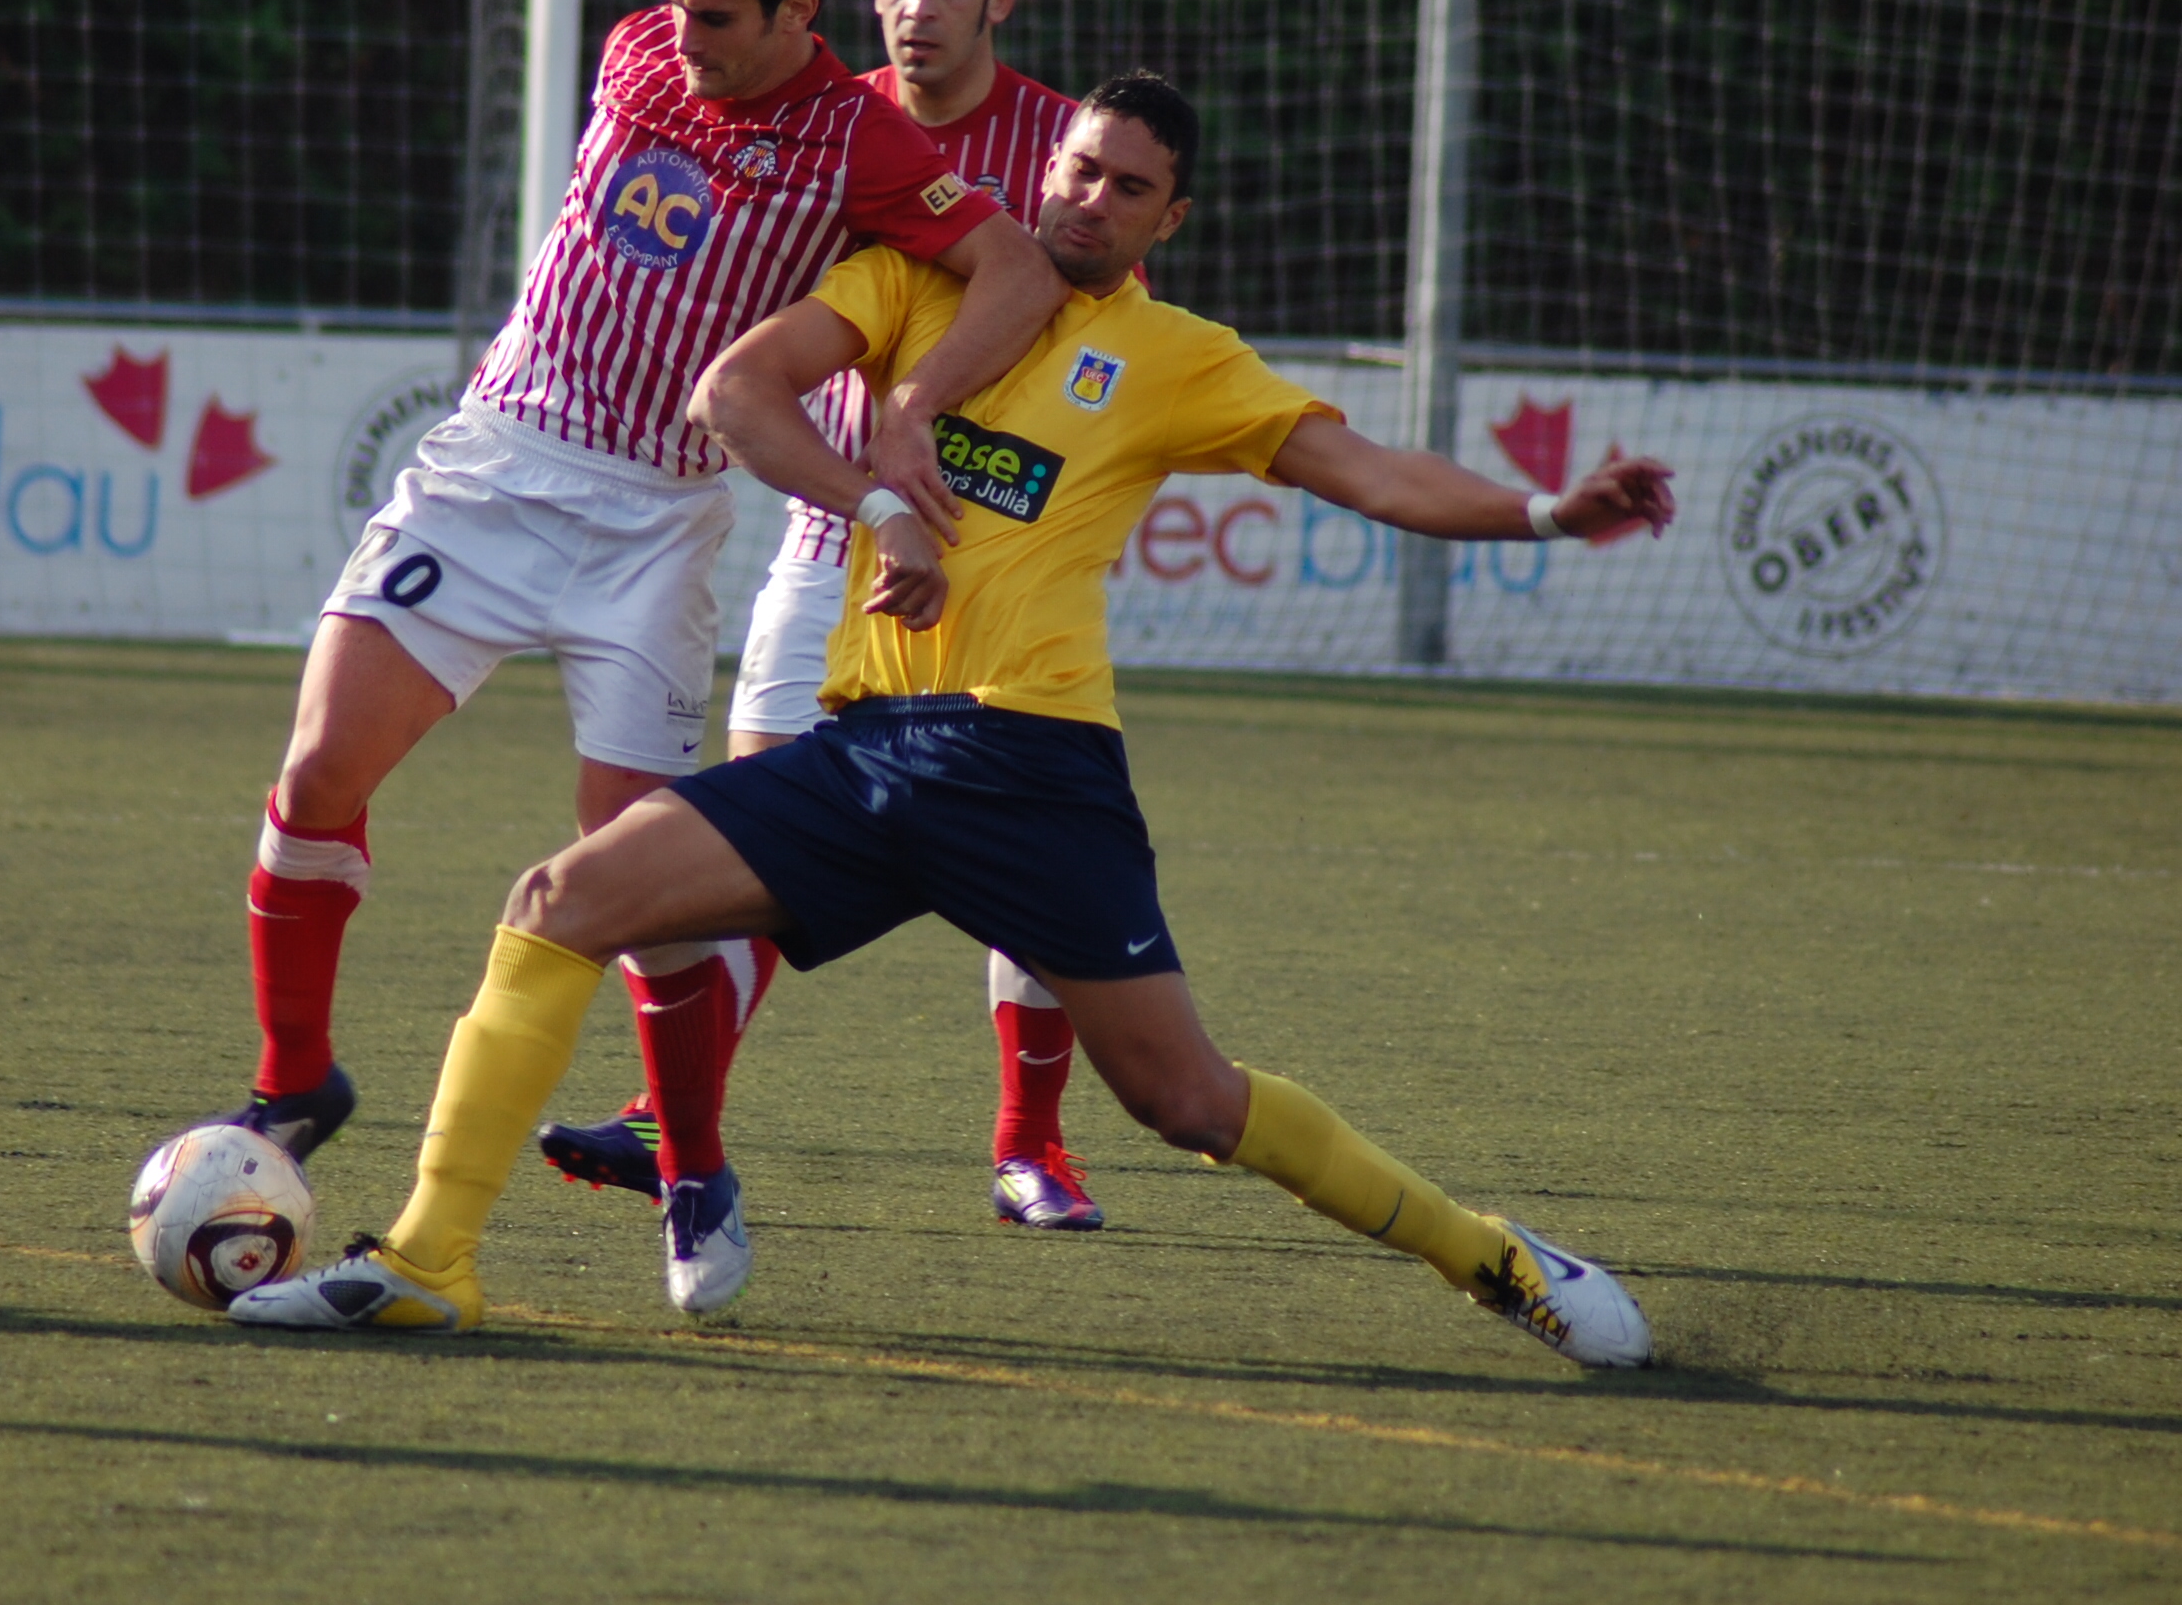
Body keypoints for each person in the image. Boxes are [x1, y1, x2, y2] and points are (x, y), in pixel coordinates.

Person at [228, 73, 1675, 1369]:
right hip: (864, 749)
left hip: (1030, 766)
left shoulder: (1175, 356)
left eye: (1127, 184)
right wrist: (875, 477)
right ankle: (428, 1264)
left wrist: (1544, 509)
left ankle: (1487, 1256)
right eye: (1077, 167)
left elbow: (1368, 473)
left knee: (1186, 1099)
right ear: (1042, 167)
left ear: (1173, 215)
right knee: (563, 896)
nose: (1088, 197)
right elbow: (733, 392)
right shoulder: (906, 285)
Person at [199, 0, 1065, 1162]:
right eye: (670, 4)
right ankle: (294, 1081)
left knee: (641, 882)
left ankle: (687, 1161)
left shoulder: (857, 140)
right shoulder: (634, 53)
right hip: (492, 468)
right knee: (319, 770)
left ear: (795, 13)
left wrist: (913, 406)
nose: (682, 37)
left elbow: (1012, 269)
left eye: (714, 16)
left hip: (654, 521)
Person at [535, 0, 1106, 1233]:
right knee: (746, 827)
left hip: (996, 544)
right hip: (830, 530)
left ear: (996, 2)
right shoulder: (829, 122)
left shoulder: (1054, 146)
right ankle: (671, 1121)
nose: (916, 9)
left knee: (1028, 844)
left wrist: (942, 422)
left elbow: (1102, 323)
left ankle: (1031, 1143)